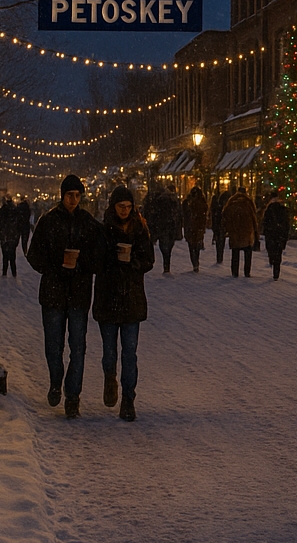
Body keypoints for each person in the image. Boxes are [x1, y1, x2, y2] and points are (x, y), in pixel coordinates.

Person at [25, 175, 102, 417]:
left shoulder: (87, 222)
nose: (74, 200)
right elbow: (34, 255)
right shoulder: (48, 221)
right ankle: (56, 381)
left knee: (78, 347)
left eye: (78, 195)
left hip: (78, 293)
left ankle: (73, 395)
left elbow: (99, 254)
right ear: (62, 195)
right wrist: (56, 267)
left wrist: (81, 265)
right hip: (53, 293)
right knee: (53, 346)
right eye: (70, 195)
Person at [95, 185, 154, 421]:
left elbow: (149, 259)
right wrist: (112, 258)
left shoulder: (140, 228)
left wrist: (133, 263)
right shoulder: (103, 229)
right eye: (121, 206)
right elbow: (96, 259)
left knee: (130, 352)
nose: (125, 211)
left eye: (129, 207)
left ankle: (129, 399)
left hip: (131, 298)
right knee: (110, 351)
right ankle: (110, 378)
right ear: (113, 206)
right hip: (108, 297)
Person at [143, 183, 182, 275]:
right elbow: (178, 215)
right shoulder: (173, 201)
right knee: (168, 246)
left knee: (164, 245)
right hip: (169, 227)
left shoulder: (159, 201)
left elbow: (153, 214)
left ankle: (166, 263)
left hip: (162, 226)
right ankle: (166, 263)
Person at [222, 186, 259, 278]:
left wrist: (227, 228)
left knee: (235, 252)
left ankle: (235, 271)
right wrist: (255, 231)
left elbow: (225, 216)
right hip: (247, 231)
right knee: (247, 253)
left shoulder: (231, 203)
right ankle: (247, 272)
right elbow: (254, 217)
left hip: (235, 231)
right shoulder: (248, 203)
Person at [262, 191, 291, 280]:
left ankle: (272, 260)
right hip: (279, 234)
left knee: (272, 250)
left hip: (271, 234)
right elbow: (286, 224)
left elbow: (265, 223)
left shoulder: (268, 209)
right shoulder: (283, 210)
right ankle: (276, 271)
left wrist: (267, 231)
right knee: (278, 252)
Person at [182, 184, 209, 273]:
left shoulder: (189, 202)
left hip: (191, 227)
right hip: (198, 227)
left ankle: (194, 262)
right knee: (196, 245)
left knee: (192, 245)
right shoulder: (202, 202)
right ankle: (195, 262)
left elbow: (185, 214)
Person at [0, 196, 21, 277]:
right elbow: (18, 225)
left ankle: (4, 271)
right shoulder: (15, 211)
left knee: (5, 255)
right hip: (12, 236)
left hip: (5, 236)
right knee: (12, 255)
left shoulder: (3, 211)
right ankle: (14, 272)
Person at [211, 188, 230, 265]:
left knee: (220, 239)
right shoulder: (225, 205)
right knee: (221, 239)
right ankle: (219, 256)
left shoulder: (217, 204)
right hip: (221, 225)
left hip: (218, 224)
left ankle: (219, 256)